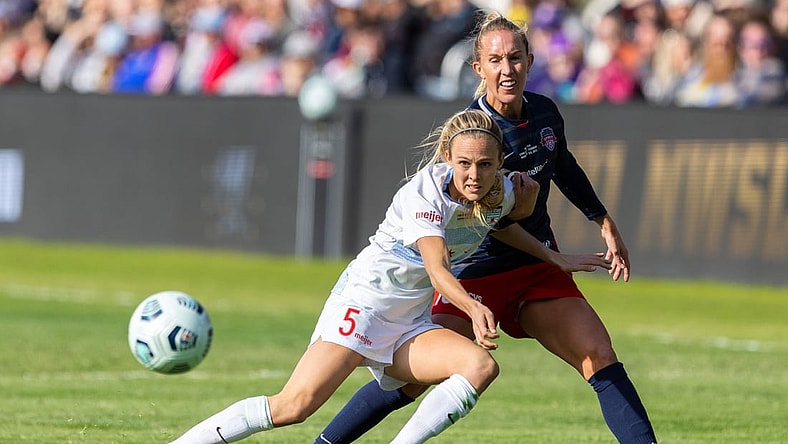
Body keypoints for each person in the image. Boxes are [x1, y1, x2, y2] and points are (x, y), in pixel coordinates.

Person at [315, 11, 658, 444]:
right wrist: (540, 242)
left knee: (599, 355)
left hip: (536, 271)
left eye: (515, 58)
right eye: (495, 60)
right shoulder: (473, 135)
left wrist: (602, 220)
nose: (506, 69)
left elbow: (563, 166)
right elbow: (479, 220)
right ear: (478, 68)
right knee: (412, 381)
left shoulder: (546, 114)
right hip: (475, 272)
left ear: (530, 61)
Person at [168, 108, 604, 444]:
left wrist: (553, 257)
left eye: (487, 165)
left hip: (408, 322)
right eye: (465, 163)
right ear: (447, 157)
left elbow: (502, 223)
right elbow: (437, 268)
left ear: (499, 162)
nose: (475, 174)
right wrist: (472, 307)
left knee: (479, 366)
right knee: (294, 406)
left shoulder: (502, 191)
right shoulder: (423, 194)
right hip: (364, 305)